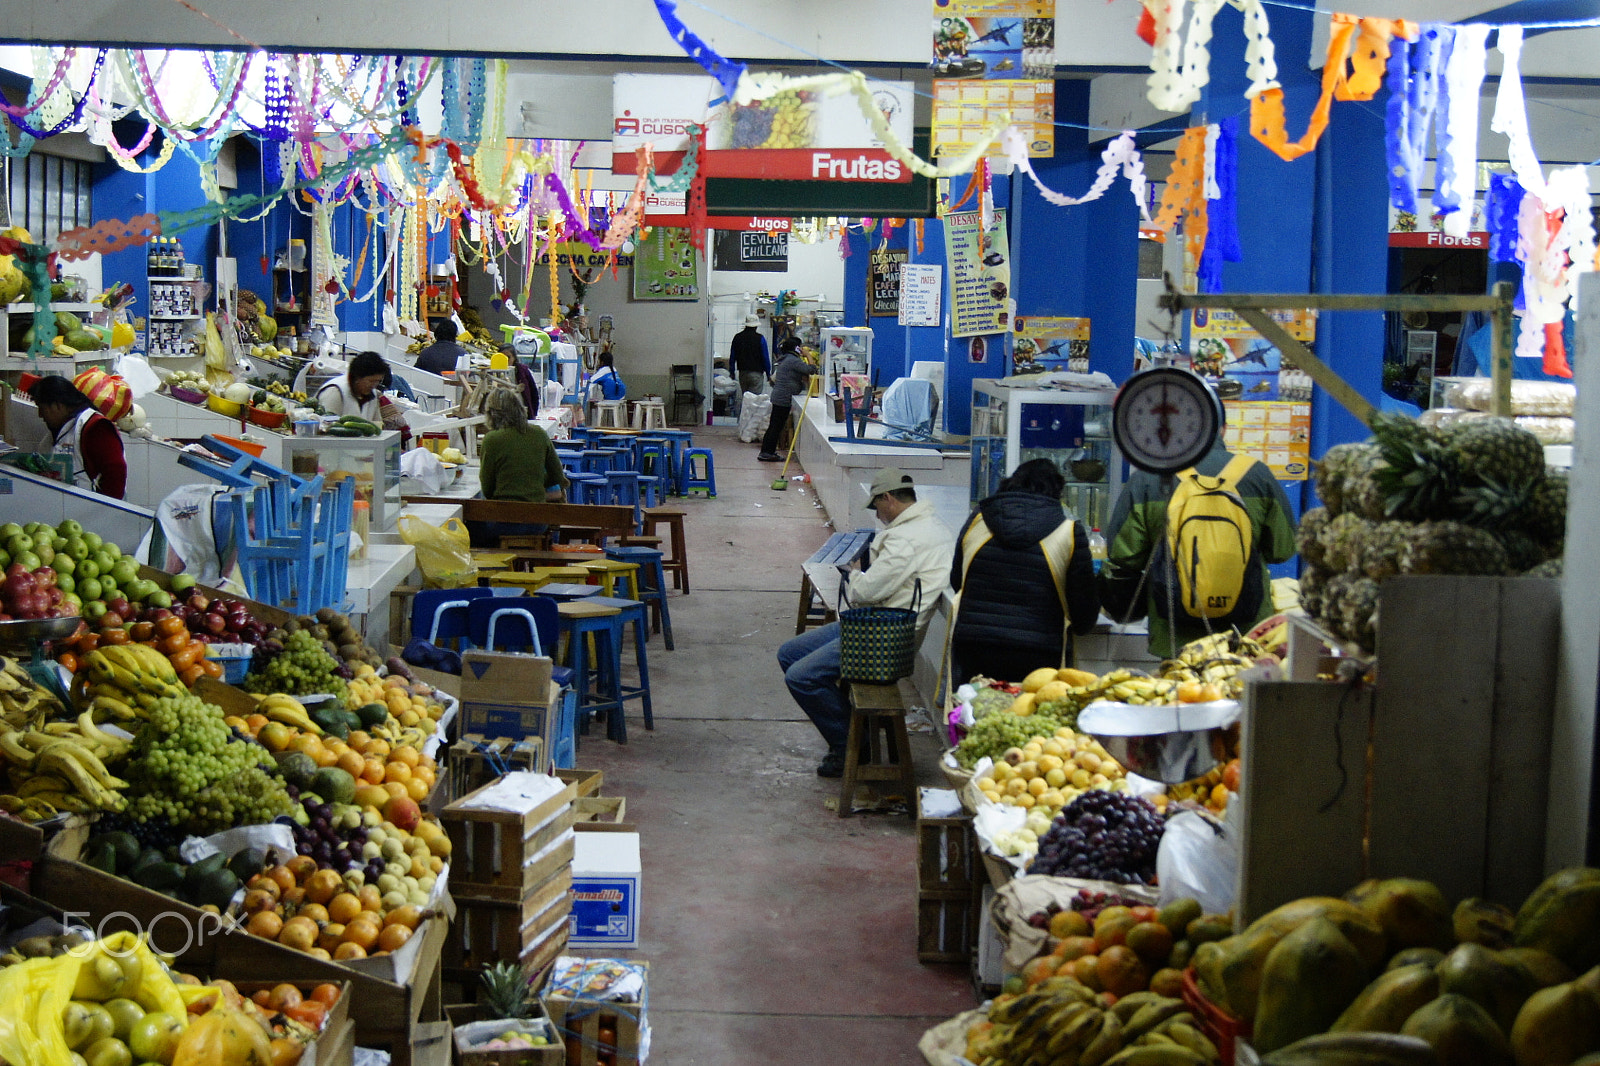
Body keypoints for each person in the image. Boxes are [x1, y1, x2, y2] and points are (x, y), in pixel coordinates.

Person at [778, 468, 954, 777]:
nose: (879, 515)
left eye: (877, 507)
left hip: (885, 641)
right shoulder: (930, 526)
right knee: (790, 653)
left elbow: (865, 592)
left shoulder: (906, 538)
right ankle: (848, 733)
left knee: (800, 677)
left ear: (888, 499)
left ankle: (851, 746)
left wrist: (853, 574)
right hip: (879, 624)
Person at [1098, 436, 1297, 658]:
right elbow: (1283, 549)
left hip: (1174, 635)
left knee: (1182, 691)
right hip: (1244, 634)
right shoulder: (1257, 474)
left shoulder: (1147, 476)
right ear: (1223, 429)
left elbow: (1123, 554)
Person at [949, 458, 1099, 683]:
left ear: (1010, 483)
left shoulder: (979, 520)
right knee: (1026, 716)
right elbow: (1083, 609)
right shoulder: (1068, 532)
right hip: (1037, 653)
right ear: (1057, 491)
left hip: (975, 646)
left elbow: (958, 580)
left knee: (973, 712)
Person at [468, 387, 570, 548]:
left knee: (466, 528)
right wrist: (533, 481)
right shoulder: (539, 433)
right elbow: (559, 478)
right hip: (538, 523)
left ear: (492, 414)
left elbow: (487, 490)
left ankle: (495, 570)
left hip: (504, 522)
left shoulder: (492, 439)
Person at [30, 375, 126, 500]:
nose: (40, 415)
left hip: (94, 512)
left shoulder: (96, 427)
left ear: (58, 405)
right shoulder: (59, 429)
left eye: (42, 408)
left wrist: (106, 510)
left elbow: (116, 474)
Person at [758, 337, 815, 461]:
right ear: (796, 348)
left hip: (780, 396)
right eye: (800, 347)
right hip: (783, 398)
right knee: (776, 426)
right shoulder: (792, 360)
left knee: (775, 425)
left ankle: (767, 451)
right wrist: (808, 355)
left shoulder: (787, 359)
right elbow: (811, 370)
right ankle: (767, 453)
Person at [316, 351, 387, 421]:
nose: (374, 385)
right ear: (357, 377)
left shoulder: (372, 394)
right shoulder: (335, 391)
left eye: (378, 381)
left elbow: (377, 423)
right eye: (371, 381)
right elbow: (325, 425)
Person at [729, 315, 770, 412]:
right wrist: (768, 374)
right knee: (755, 401)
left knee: (746, 399)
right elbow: (765, 357)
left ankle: (743, 421)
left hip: (742, 373)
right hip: (756, 374)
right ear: (756, 326)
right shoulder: (760, 338)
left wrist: (732, 371)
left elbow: (732, 356)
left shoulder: (737, 337)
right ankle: (751, 423)